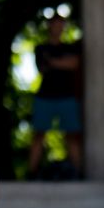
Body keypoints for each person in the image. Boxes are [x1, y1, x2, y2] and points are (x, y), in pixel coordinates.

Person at [28, 16, 83, 176]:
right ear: (49, 26)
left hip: (67, 96)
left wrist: (52, 61)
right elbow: (42, 68)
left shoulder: (70, 48)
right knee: (39, 134)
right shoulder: (41, 48)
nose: (58, 27)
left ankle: (78, 172)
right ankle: (31, 172)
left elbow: (74, 64)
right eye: (55, 24)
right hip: (45, 97)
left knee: (72, 135)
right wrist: (62, 62)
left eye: (61, 24)